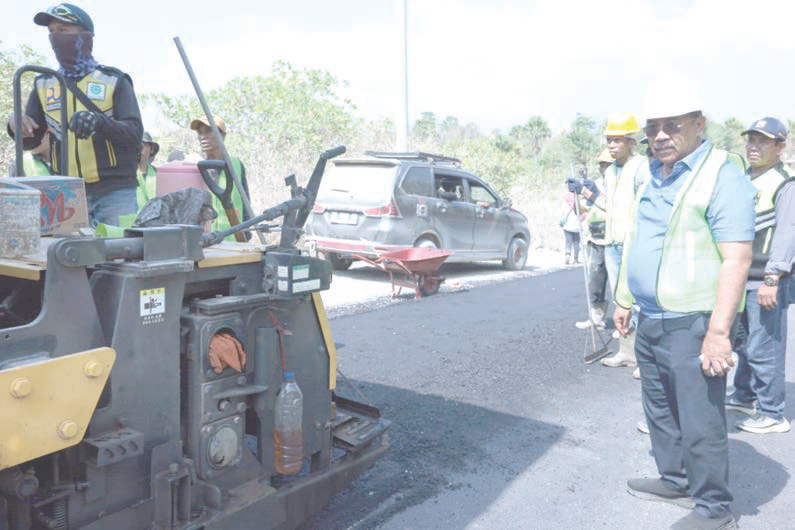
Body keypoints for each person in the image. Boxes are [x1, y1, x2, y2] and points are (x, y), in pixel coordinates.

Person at [614, 97, 756, 530]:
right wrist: (623, 296)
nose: (660, 136)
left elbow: (738, 259)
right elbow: (639, 238)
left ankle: (714, 509)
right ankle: (675, 480)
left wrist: (718, 332)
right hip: (652, 315)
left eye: (672, 126)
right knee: (659, 408)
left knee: (701, 418)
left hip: (694, 320)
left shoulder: (722, 176)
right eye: (654, 126)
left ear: (699, 124)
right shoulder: (654, 175)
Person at [6, 3, 143, 227]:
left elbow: (135, 134)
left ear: (85, 35)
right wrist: (15, 126)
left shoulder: (114, 80)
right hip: (67, 194)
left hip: (115, 192)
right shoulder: (44, 84)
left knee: (117, 258)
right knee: (70, 259)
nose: (55, 38)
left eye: (62, 31)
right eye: (51, 32)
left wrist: (98, 122)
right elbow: (31, 140)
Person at [726, 117, 794, 434]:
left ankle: (771, 413)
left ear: (780, 147)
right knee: (742, 342)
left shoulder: (785, 183)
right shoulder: (745, 178)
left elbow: (787, 234)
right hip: (740, 277)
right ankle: (744, 394)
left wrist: (773, 277)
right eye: (751, 140)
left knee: (765, 347)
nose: (754, 146)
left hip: (765, 279)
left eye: (763, 141)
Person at [586, 113, 650, 369]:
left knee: (637, 300)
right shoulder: (611, 172)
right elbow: (608, 205)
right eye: (609, 140)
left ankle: (644, 356)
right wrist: (587, 194)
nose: (612, 145)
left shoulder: (642, 167)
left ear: (631, 142)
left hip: (632, 243)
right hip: (611, 243)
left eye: (617, 141)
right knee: (620, 299)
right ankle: (627, 351)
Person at [190, 115, 250, 239]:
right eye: (200, 133)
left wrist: (247, 235)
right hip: (204, 243)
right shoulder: (193, 168)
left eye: (208, 131)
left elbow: (245, 203)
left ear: (222, 135)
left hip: (234, 243)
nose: (203, 136)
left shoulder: (236, 165)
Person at [575, 149, 612, 330]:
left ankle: (627, 326)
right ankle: (597, 318)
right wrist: (576, 200)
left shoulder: (620, 183)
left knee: (619, 282)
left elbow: (609, 205)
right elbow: (586, 209)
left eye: (607, 165)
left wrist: (590, 193)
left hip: (614, 239)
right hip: (596, 239)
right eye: (602, 165)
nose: (604, 168)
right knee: (595, 280)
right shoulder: (595, 184)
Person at [560, 188, 583, 264]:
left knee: (568, 242)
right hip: (577, 227)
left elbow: (562, 214)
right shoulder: (579, 204)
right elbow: (583, 216)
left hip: (567, 227)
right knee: (576, 243)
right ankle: (576, 259)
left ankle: (567, 256)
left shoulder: (565, 204)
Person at [136, 132, 159, 208]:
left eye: (143, 145)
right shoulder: (123, 175)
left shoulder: (159, 174)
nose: (139, 149)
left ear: (151, 149)